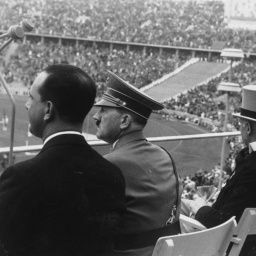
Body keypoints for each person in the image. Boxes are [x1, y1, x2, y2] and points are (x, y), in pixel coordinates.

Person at [0, 64, 126, 256]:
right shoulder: (113, 175)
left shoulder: (21, 177)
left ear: (48, 109)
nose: (27, 105)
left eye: (31, 98)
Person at [93, 71, 183, 256]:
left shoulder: (110, 164)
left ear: (125, 121)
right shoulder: (163, 155)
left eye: (103, 110)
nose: (96, 117)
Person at [186, 85, 256, 255]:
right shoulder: (248, 160)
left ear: (247, 128)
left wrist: (200, 207)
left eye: (240, 125)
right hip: (245, 239)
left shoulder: (250, 167)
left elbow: (223, 221)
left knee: (185, 207)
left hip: (228, 244)